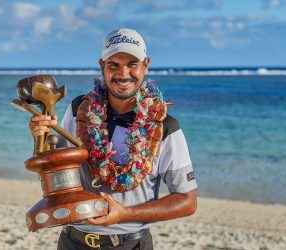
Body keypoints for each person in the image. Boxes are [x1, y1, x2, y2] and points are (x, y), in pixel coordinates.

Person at [29, 28, 198, 250]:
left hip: (131, 244)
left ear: (145, 65)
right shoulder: (79, 109)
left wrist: (125, 214)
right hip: (73, 241)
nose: (123, 73)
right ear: (102, 67)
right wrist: (40, 137)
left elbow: (187, 201)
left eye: (132, 64)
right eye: (114, 64)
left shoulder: (165, 126)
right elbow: (52, 167)